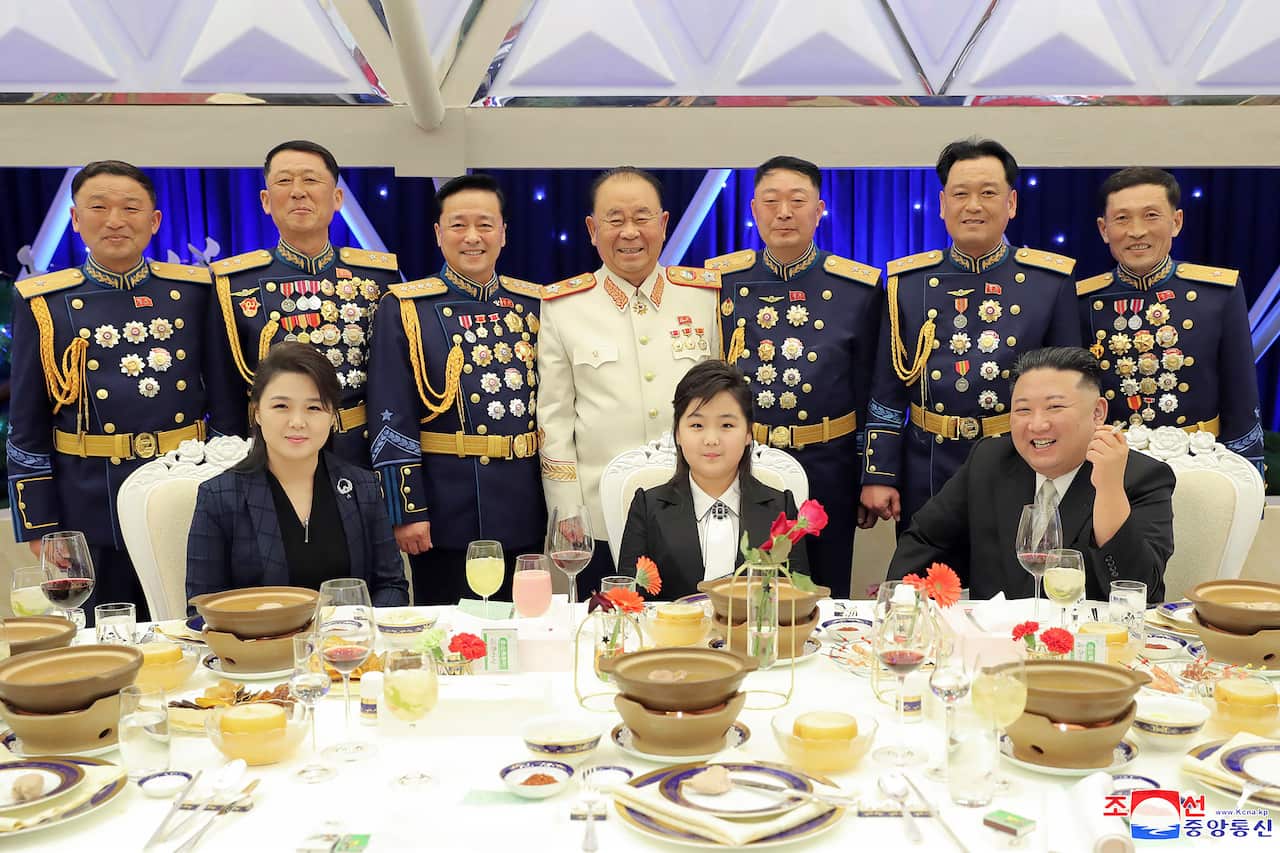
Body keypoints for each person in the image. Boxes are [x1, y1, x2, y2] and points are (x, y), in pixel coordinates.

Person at [7, 160, 214, 618]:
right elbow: (27, 422)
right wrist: (42, 523)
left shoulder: (195, 291)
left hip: (184, 487)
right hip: (90, 501)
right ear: (77, 219)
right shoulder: (44, 302)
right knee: (107, 633)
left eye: (130, 208)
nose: (115, 220)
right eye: (98, 207)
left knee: (194, 623)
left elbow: (226, 404)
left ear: (154, 220)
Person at [861, 137, 1082, 552]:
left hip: (1020, 461)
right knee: (927, 590)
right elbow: (887, 388)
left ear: (1012, 203)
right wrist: (879, 472)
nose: (973, 205)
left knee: (1013, 590)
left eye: (988, 193)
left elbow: (1069, 391)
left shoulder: (1049, 282)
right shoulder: (907, 284)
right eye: (960, 194)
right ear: (943, 204)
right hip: (927, 463)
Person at [538, 167, 722, 596]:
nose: (629, 232)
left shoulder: (703, 297)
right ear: (591, 229)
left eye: (642, 218)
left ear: (663, 224)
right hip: (600, 514)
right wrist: (568, 512)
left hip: (694, 503)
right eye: (614, 219)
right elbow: (555, 419)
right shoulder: (564, 306)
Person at [705, 155, 881, 598]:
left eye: (797, 201)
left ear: (819, 209)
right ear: (753, 209)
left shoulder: (856, 289)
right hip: (745, 463)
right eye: (772, 201)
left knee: (823, 589)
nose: (784, 212)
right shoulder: (718, 282)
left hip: (828, 463)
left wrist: (870, 472)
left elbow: (871, 390)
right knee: (742, 588)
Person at [366, 174, 545, 605]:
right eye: (458, 225)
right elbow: (390, 415)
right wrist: (406, 510)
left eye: (485, 225)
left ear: (503, 232)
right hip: (447, 511)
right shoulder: (406, 307)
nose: (472, 237)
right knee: (449, 638)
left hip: (524, 502)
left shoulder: (534, 304)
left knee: (523, 628)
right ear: (438, 233)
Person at [887, 347, 1173, 604]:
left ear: (1098, 413)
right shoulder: (990, 461)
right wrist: (902, 609)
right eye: (1023, 410)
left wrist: (1110, 489)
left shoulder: (1142, 477)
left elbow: (1140, 591)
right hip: (995, 648)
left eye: (1055, 407)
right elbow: (925, 540)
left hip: (1089, 651)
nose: (1037, 425)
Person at [206, 139, 402, 466]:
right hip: (274, 457)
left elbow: (395, 385)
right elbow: (224, 395)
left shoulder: (379, 277)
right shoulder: (234, 283)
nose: (298, 191)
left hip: (361, 455)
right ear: (266, 201)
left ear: (337, 198)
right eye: (284, 181)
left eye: (311, 180)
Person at [186, 343, 408, 606]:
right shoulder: (219, 496)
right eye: (281, 406)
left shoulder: (363, 486)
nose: (297, 422)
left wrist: (357, 629)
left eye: (314, 408)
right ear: (257, 412)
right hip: (261, 643)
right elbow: (202, 606)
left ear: (332, 417)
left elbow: (391, 585)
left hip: (348, 642)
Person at [1077, 166, 1262, 471]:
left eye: (1151, 215)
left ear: (1176, 222)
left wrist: (1248, 476)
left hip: (1201, 464)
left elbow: (1241, 396)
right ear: (1103, 229)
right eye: (1122, 218)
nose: (1137, 231)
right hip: (1113, 467)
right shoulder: (1081, 300)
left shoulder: (1217, 292)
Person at [618, 361, 809, 599]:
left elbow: (797, 598)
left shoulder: (781, 507)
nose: (711, 439)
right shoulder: (647, 506)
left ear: (749, 433)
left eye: (727, 425)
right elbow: (628, 601)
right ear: (678, 432)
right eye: (697, 425)